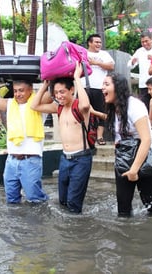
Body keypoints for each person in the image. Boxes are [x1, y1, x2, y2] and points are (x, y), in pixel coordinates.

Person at [31, 62, 93, 214]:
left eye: (62, 92)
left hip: (81, 159)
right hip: (65, 158)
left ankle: (76, 234)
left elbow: (86, 104)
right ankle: (68, 232)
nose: (59, 96)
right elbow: (34, 106)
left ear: (71, 90)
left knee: (73, 203)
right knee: (63, 201)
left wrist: (77, 78)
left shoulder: (78, 106)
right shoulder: (58, 107)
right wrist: (45, 85)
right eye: (56, 93)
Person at [0, 66, 50, 205]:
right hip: (11, 161)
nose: (18, 94)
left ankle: (41, 225)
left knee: (35, 199)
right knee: (12, 201)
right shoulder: (10, 104)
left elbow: (53, 94)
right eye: (15, 91)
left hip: (31, 160)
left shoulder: (38, 103)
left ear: (30, 90)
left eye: (21, 90)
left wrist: (48, 80)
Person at [103, 72, 152, 217]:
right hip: (126, 156)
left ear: (118, 87)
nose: (102, 88)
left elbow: (146, 139)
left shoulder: (134, 106)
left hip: (148, 154)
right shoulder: (113, 108)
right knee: (122, 204)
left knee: (148, 201)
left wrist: (134, 170)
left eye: (106, 84)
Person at [82, 33, 115, 145]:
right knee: (84, 111)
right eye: (96, 42)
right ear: (89, 43)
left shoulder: (104, 54)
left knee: (102, 111)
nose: (99, 44)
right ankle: (86, 136)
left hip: (101, 88)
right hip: (84, 87)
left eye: (100, 42)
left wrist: (96, 62)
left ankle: (99, 136)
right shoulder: (83, 53)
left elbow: (111, 66)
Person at [127, 31, 152, 111]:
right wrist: (132, 62)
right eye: (142, 42)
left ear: (151, 39)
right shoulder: (139, 51)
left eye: (146, 41)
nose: (145, 43)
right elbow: (129, 65)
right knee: (145, 106)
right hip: (143, 84)